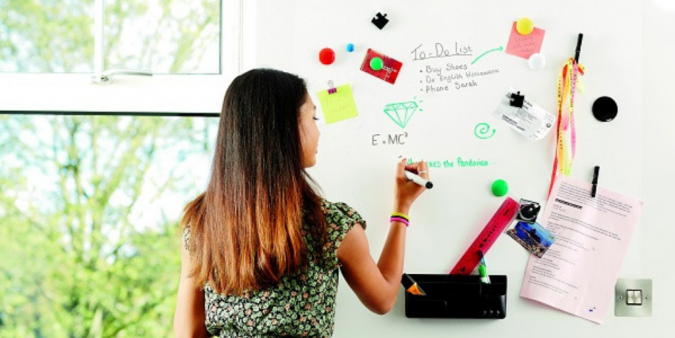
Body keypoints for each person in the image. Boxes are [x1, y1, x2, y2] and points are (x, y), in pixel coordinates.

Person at [173, 68, 429, 338]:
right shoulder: (330, 226)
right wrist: (401, 209)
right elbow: (384, 298)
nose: (318, 132)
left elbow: (189, 332)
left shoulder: (202, 223)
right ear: (287, 129)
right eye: (314, 118)